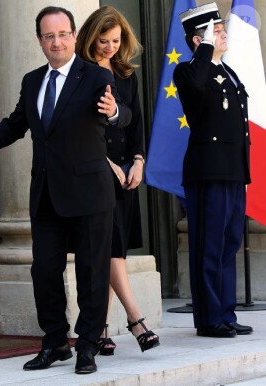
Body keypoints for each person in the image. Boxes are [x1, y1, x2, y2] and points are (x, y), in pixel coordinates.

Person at [0, 6, 131, 375]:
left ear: (73, 35)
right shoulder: (33, 81)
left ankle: (87, 346)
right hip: (47, 192)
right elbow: (14, 125)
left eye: (63, 34)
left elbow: (125, 115)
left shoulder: (96, 76)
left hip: (90, 192)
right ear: (40, 40)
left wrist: (115, 112)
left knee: (91, 273)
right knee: (45, 272)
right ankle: (54, 342)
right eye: (49, 36)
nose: (57, 42)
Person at [75, 6, 159, 354]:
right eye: (102, 40)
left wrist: (139, 161)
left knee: (113, 250)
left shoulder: (125, 74)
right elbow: (81, 130)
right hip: (98, 172)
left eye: (115, 40)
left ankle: (99, 329)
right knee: (110, 251)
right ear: (90, 37)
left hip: (127, 173)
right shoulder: (80, 73)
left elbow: (136, 120)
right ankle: (135, 318)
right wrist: (108, 163)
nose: (109, 47)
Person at [174, 2, 252, 338]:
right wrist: (206, 46)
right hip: (208, 170)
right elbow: (194, 86)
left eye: (220, 30)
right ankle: (208, 318)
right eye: (214, 31)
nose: (222, 35)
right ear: (197, 40)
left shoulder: (228, 72)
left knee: (229, 241)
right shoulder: (190, 71)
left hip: (232, 169)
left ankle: (225, 311)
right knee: (208, 243)